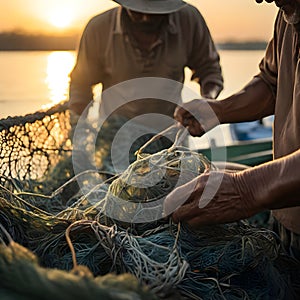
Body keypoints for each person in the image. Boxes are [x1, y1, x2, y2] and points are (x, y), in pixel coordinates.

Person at [164, 0, 300, 261]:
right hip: (287, 213)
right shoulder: (287, 13)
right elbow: (273, 83)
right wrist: (220, 109)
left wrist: (246, 189)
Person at [68, 0, 224, 171]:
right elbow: (80, 85)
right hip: (114, 143)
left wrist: (208, 101)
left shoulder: (189, 20)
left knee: (175, 192)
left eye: (155, 13)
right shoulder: (99, 29)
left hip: (170, 141)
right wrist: (78, 130)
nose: (145, 18)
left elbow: (210, 71)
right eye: (136, 11)